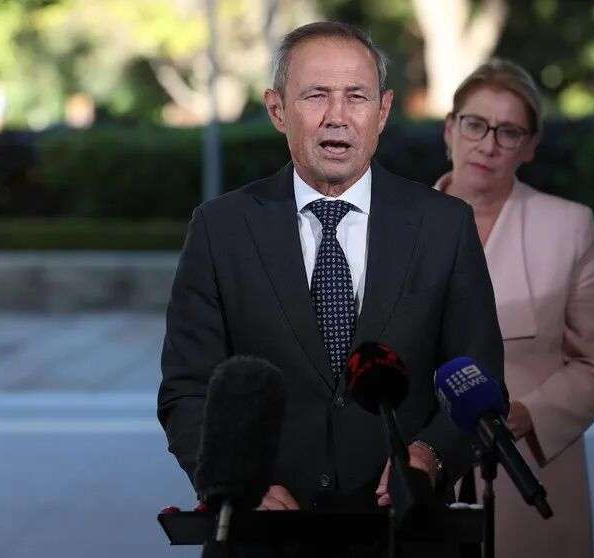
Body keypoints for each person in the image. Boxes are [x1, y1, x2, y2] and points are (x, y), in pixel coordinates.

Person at [158, 21, 505, 554]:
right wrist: (238, 481)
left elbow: (479, 376)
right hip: (263, 529)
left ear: (383, 111)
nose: (337, 116)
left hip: (403, 531)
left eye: (357, 97)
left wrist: (431, 454)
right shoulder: (220, 228)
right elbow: (187, 388)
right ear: (277, 110)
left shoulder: (444, 226)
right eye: (316, 95)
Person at [437, 58, 594, 558]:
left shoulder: (569, 228)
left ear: (530, 147)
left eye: (509, 132)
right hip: (416, 479)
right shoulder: (392, 222)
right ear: (450, 129)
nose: (488, 144)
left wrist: (526, 415)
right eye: (475, 125)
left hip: (528, 473)